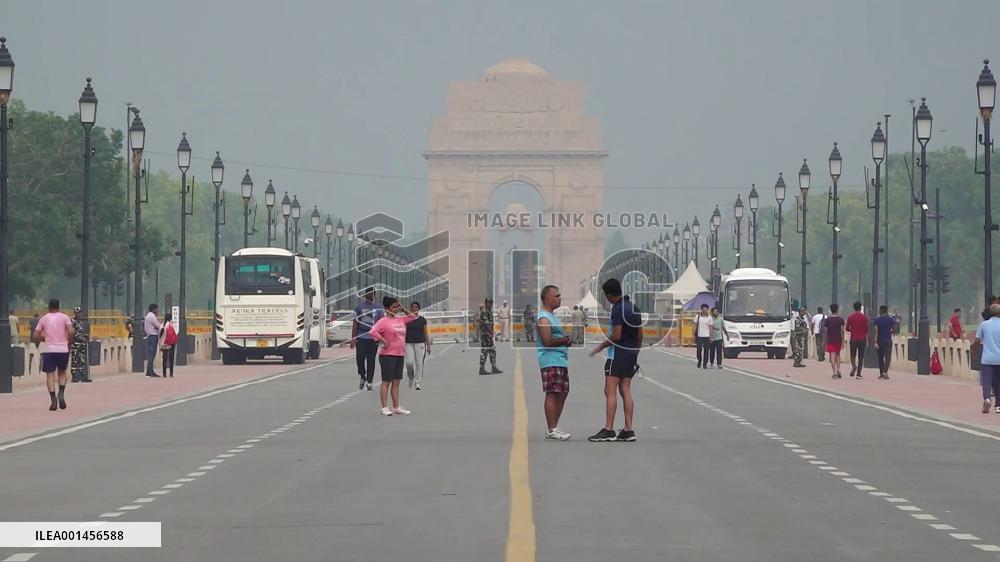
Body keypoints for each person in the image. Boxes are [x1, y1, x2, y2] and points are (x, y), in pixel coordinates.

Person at [588, 278, 641, 442]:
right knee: (625, 389)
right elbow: (640, 334)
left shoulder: (618, 310)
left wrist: (601, 346)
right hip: (631, 352)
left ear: (609, 294)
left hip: (616, 354)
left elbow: (616, 335)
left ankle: (608, 429)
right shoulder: (634, 308)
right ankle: (628, 429)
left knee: (609, 390)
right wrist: (635, 353)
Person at [367, 295, 419, 416]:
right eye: (394, 307)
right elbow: (372, 331)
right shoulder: (383, 321)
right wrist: (382, 340)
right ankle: (384, 407)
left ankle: (396, 406)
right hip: (387, 355)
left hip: (399, 354)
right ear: (386, 308)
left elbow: (414, 317)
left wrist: (403, 308)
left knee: (397, 382)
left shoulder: (400, 319)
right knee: (386, 381)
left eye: (397, 306)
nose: (396, 309)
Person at [536, 285, 573, 440]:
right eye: (556, 296)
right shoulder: (544, 318)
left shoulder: (552, 316)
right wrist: (564, 339)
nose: (559, 298)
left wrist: (565, 340)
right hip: (550, 359)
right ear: (547, 299)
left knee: (563, 392)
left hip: (560, 359)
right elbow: (547, 341)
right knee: (552, 393)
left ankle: (554, 427)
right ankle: (552, 429)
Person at [32, 299, 74, 411]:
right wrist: (69, 341)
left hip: (50, 349)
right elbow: (70, 331)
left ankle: (53, 399)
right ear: (58, 307)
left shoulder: (44, 318)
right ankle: (61, 393)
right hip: (63, 349)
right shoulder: (65, 317)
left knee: (50, 375)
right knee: (62, 372)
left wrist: (44, 338)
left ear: (49, 307)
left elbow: (35, 335)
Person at [351, 287, 384, 391]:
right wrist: (353, 337)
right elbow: (356, 322)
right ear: (365, 295)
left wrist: (381, 338)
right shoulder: (359, 307)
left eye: (371, 294)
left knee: (371, 360)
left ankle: (369, 381)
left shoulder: (378, 308)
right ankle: (362, 375)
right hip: (361, 336)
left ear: (374, 295)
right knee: (359, 358)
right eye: (367, 294)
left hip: (373, 338)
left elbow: (381, 324)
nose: (369, 296)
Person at [974, 304, 1000, 414]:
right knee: (998, 382)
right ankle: (998, 406)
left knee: (986, 381)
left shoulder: (984, 325)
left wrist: (974, 352)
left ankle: (987, 399)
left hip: (987, 359)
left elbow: (976, 341)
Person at [404, 301, 430, 390]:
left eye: (416, 307)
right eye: (413, 307)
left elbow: (425, 332)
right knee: (409, 362)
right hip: (409, 343)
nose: (414, 309)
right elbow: (404, 332)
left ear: (419, 309)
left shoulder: (422, 319)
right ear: (410, 308)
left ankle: (418, 382)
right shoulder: (407, 319)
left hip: (420, 343)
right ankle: (410, 376)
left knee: (419, 364)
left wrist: (428, 345)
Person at [845, 301, 869, 379]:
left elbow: (847, 328)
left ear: (854, 308)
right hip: (862, 339)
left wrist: (853, 330)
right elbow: (866, 330)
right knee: (861, 357)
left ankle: (853, 366)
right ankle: (858, 374)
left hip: (853, 338)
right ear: (860, 307)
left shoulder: (850, 317)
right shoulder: (864, 317)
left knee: (853, 355)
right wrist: (867, 340)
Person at [478, 297, 502, 375]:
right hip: (485, 335)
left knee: (492, 351)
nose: (491, 304)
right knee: (484, 351)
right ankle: (481, 368)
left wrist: (492, 333)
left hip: (489, 334)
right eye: (490, 303)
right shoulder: (484, 312)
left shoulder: (489, 311)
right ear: (486, 303)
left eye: (492, 303)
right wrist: (493, 332)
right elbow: (487, 324)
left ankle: (493, 367)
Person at [70, 307, 91, 383]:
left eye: (80, 312)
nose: (79, 314)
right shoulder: (72, 321)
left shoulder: (82, 322)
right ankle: (75, 377)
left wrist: (86, 337)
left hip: (82, 344)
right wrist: (80, 337)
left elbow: (84, 332)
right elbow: (72, 333)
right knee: (74, 361)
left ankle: (83, 376)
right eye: (77, 312)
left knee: (82, 360)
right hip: (75, 344)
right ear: (75, 313)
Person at [825, 304, 846, 379]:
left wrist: (825, 341)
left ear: (830, 310)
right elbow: (842, 331)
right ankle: (838, 370)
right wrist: (843, 341)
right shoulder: (840, 320)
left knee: (832, 357)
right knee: (838, 355)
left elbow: (825, 331)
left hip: (830, 340)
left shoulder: (827, 320)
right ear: (837, 310)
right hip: (838, 340)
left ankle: (834, 373)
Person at [874, 305, 894, 380]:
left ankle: (881, 374)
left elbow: (876, 331)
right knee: (888, 357)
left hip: (879, 341)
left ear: (881, 311)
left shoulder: (877, 320)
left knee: (880, 358)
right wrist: (890, 332)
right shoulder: (890, 320)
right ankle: (885, 372)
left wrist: (876, 341)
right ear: (886, 311)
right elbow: (894, 329)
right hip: (888, 340)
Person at [144, 304, 162, 377]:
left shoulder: (147, 316)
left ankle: (149, 371)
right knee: (152, 354)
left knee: (150, 354)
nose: (157, 311)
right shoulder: (152, 316)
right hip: (153, 336)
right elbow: (158, 326)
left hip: (149, 336)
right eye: (157, 309)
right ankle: (150, 371)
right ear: (154, 309)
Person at [694, 303, 712, 369]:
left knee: (706, 351)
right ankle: (699, 360)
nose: (705, 310)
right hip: (699, 335)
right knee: (699, 349)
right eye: (703, 309)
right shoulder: (698, 317)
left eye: (706, 309)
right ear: (701, 310)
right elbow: (695, 326)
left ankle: (705, 364)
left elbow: (710, 327)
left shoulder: (709, 318)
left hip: (707, 336)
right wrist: (693, 334)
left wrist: (711, 336)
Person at [161, 312, 178, 378]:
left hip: (164, 343)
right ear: (171, 318)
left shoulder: (162, 325)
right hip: (171, 343)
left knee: (164, 359)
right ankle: (171, 373)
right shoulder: (171, 324)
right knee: (171, 358)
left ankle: (164, 374)